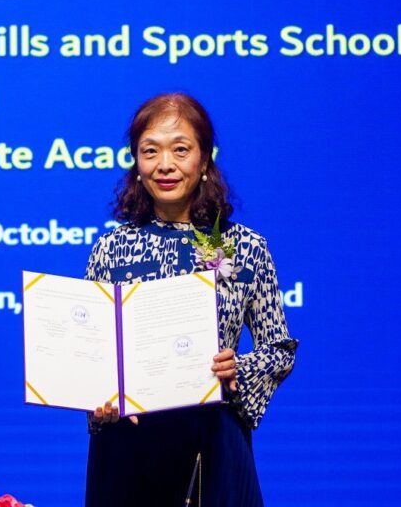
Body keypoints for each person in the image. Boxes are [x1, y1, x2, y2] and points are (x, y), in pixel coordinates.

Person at [84, 93, 297, 506]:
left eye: (180, 150)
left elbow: (279, 349)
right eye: (150, 151)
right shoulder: (110, 249)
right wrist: (96, 398)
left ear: (204, 160)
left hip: (213, 444)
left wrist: (238, 369)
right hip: (127, 448)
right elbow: (92, 355)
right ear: (136, 163)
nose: (165, 164)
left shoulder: (245, 247)